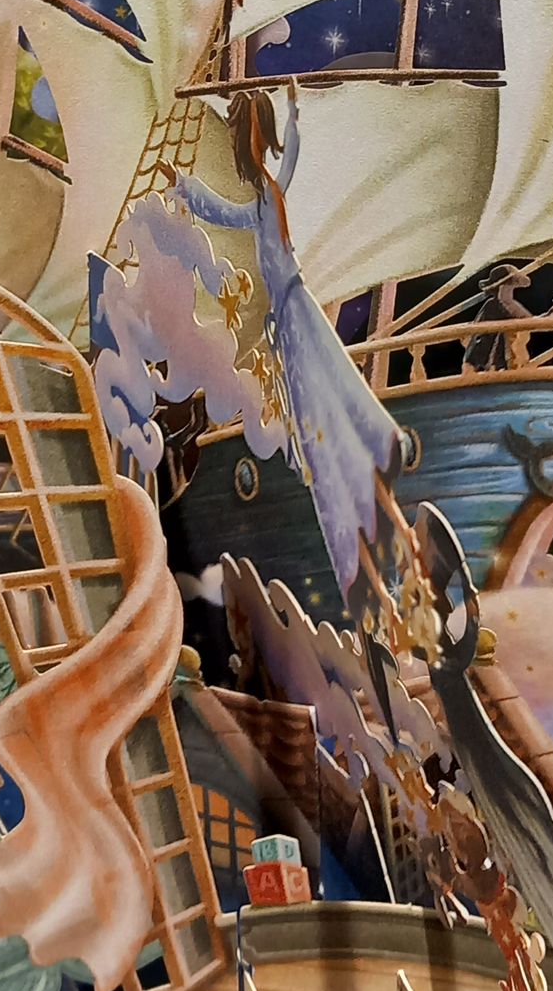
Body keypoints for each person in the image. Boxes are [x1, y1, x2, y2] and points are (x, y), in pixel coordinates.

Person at [168, 86, 405, 610]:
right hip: (294, 311)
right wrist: (293, 117)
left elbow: (229, 211)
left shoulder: (263, 195)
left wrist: (187, 189)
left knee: (317, 418)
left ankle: (355, 527)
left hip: (295, 315)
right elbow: (279, 168)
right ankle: (364, 516)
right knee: (320, 412)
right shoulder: (270, 190)